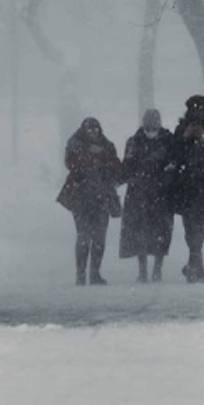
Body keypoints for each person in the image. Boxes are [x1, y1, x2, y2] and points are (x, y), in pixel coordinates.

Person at [56, 117, 122, 285]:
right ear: (84, 131)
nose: (93, 132)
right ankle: (81, 274)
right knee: (84, 236)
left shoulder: (107, 145)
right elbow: (71, 163)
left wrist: (102, 160)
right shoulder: (75, 144)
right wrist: (92, 158)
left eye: (96, 129)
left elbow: (116, 167)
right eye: (90, 130)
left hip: (101, 197)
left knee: (99, 237)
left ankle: (94, 273)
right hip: (81, 197)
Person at [171, 95, 204, 283]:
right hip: (185, 185)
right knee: (189, 228)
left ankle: (194, 265)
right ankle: (196, 266)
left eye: (201, 110)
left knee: (200, 227)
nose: (197, 113)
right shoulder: (180, 130)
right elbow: (175, 154)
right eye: (194, 110)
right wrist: (185, 138)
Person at [119, 108, 175, 282]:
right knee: (139, 232)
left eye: (154, 119)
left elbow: (174, 163)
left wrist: (165, 177)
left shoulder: (169, 141)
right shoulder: (134, 142)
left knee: (161, 232)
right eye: (148, 119)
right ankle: (142, 271)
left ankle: (157, 269)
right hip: (139, 194)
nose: (151, 122)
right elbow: (127, 165)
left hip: (161, 193)